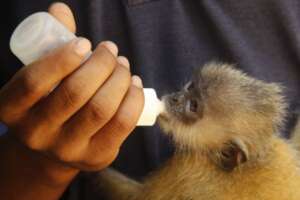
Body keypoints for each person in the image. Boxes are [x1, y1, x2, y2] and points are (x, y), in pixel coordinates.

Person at [0, 1, 299, 199]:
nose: (176, 99)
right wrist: (44, 164)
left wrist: (92, 170)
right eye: (190, 88)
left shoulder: (194, 171)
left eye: (192, 107)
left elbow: (139, 196)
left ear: (229, 154)